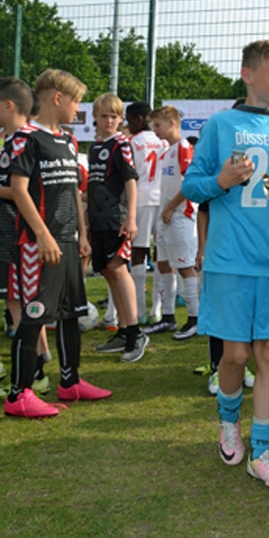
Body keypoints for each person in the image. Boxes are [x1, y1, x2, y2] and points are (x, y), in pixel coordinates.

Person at [182, 40, 269, 488]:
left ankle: (263, 449)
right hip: (230, 262)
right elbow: (193, 188)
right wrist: (222, 180)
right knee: (234, 356)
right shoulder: (220, 125)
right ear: (248, 74)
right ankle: (228, 422)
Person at [4, 69, 112, 418]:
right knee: (34, 315)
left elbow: (72, 191)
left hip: (67, 240)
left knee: (70, 313)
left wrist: (81, 235)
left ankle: (70, 380)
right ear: (56, 98)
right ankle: (19, 395)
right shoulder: (25, 138)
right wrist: (42, 234)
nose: (78, 109)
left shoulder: (67, 140)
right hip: (38, 243)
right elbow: (18, 190)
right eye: (76, 101)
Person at [87, 93, 148, 363]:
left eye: (114, 116)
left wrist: (131, 217)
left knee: (118, 268)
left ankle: (136, 332)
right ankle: (123, 330)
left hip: (117, 217)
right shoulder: (94, 147)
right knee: (107, 270)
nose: (109, 120)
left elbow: (130, 181)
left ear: (120, 119)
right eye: (104, 116)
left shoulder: (121, 144)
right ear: (95, 118)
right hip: (98, 219)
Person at [144, 106, 200, 339]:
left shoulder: (184, 147)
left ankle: (195, 319)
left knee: (185, 266)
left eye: (157, 125)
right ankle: (167, 317)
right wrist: (161, 214)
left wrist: (170, 208)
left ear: (171, 122)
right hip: (166, 216)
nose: (154, 130)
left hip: (181, 215)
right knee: (163, 265)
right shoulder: (166, 151)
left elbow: (189, 183)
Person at [0, 78, 34, 389]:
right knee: (15, 298)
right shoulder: (8, 141)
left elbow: (23, 191)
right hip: (10, 229)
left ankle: (33, 365)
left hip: (16, 231)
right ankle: (36, 360)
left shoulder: (24, 141)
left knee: (19, 298)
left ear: (9, 105)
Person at [125, 102, 168, 327]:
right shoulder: (163, 142)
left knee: (138, 252)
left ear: (139, 119)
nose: (128, 125)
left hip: (140, 200)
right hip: (161, 199)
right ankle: (158, 309)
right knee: (161, 252)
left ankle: (140, 310)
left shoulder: (131, 142)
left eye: (130, 120)